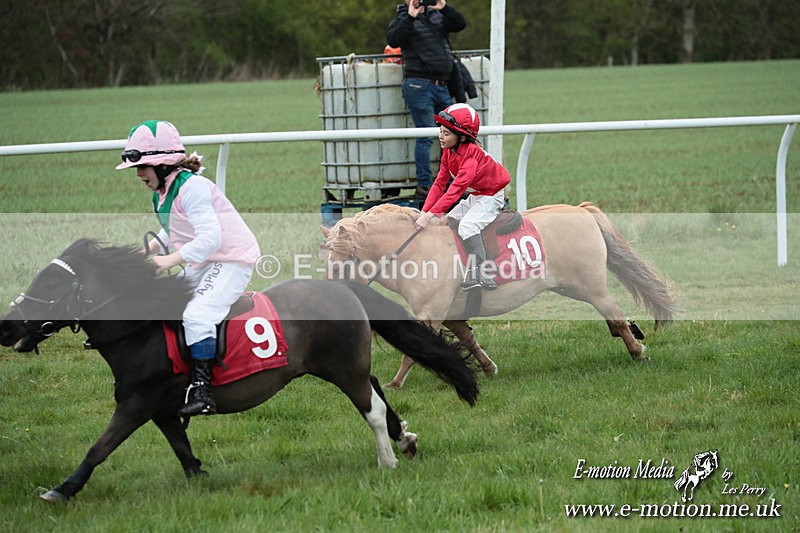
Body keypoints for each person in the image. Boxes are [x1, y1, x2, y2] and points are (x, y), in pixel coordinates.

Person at [116, 120, 261, 416]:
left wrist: (169, 260)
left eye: (143, 166)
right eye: (137, 168)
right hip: (205, 260)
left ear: (164, 164)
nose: (139, 174)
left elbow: (210, 238)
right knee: (165, 300)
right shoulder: (165, 190)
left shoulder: (192, 188)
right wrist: (150, 248)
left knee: (197, 314)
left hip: (230, 260)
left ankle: (202, 390)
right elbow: (177, 228)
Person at [414, 103, 511, 291]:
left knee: (467, 225)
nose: (441, 136)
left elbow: (455, 191)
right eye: (440, 131)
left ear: (462, 137)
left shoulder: (471, 157)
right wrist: (425, 211)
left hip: (491, 196)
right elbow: (439, 184)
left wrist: (429, 216)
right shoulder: (449, 151)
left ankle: (485, 272)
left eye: (446, 133)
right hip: (477, 195)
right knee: (448, 220)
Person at [387, 0, 466, 198]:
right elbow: (394, 39)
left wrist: (444, 7)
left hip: (442, 85)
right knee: (426, 136)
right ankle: (425, 185)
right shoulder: (403, 17)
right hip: (418, 84)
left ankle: (448, 182)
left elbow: (460, 24)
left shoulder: (438, 15)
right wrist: (410, 15)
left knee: (453, 135)